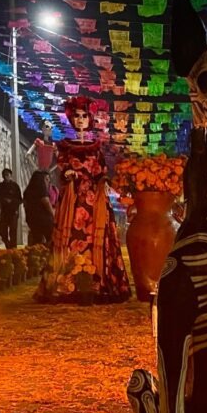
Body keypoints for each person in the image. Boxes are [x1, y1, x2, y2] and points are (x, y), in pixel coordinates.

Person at [36, 96, 130, 303]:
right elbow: (61, 168)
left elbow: (101, 170)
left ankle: (96, 281)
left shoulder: (97, 146)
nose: (80, 120)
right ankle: (68, 282)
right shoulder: (65, 146)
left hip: (93, 199)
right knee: (71, 237)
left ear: (90, 119)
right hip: (73, 198)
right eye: (77, 116)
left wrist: (103, 180)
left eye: (84, 116)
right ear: (72, 119)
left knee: (95, 238)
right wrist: (69, 173)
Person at [23, 170, 55, 246]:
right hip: (43, 218)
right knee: (50, 238)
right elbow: (46, 201)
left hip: (31, 218)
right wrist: (53, 213)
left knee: (37, 239)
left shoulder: (27, 191)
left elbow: (25, 204)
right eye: (45, 179)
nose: (47, 181)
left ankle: (37, 254)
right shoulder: (41, 188)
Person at [0, 168, 23, 249]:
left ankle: (13, 248)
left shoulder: (15, 186)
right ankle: (7, 244)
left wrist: (11, 201)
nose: (6, 177)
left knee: (13, 231)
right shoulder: (0, 186)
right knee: (2, 231)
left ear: (10, 176)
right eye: (4, 175)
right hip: (4, 211)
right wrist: (3, 201)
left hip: (13, 212)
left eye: (7, 175)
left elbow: (20, 200)